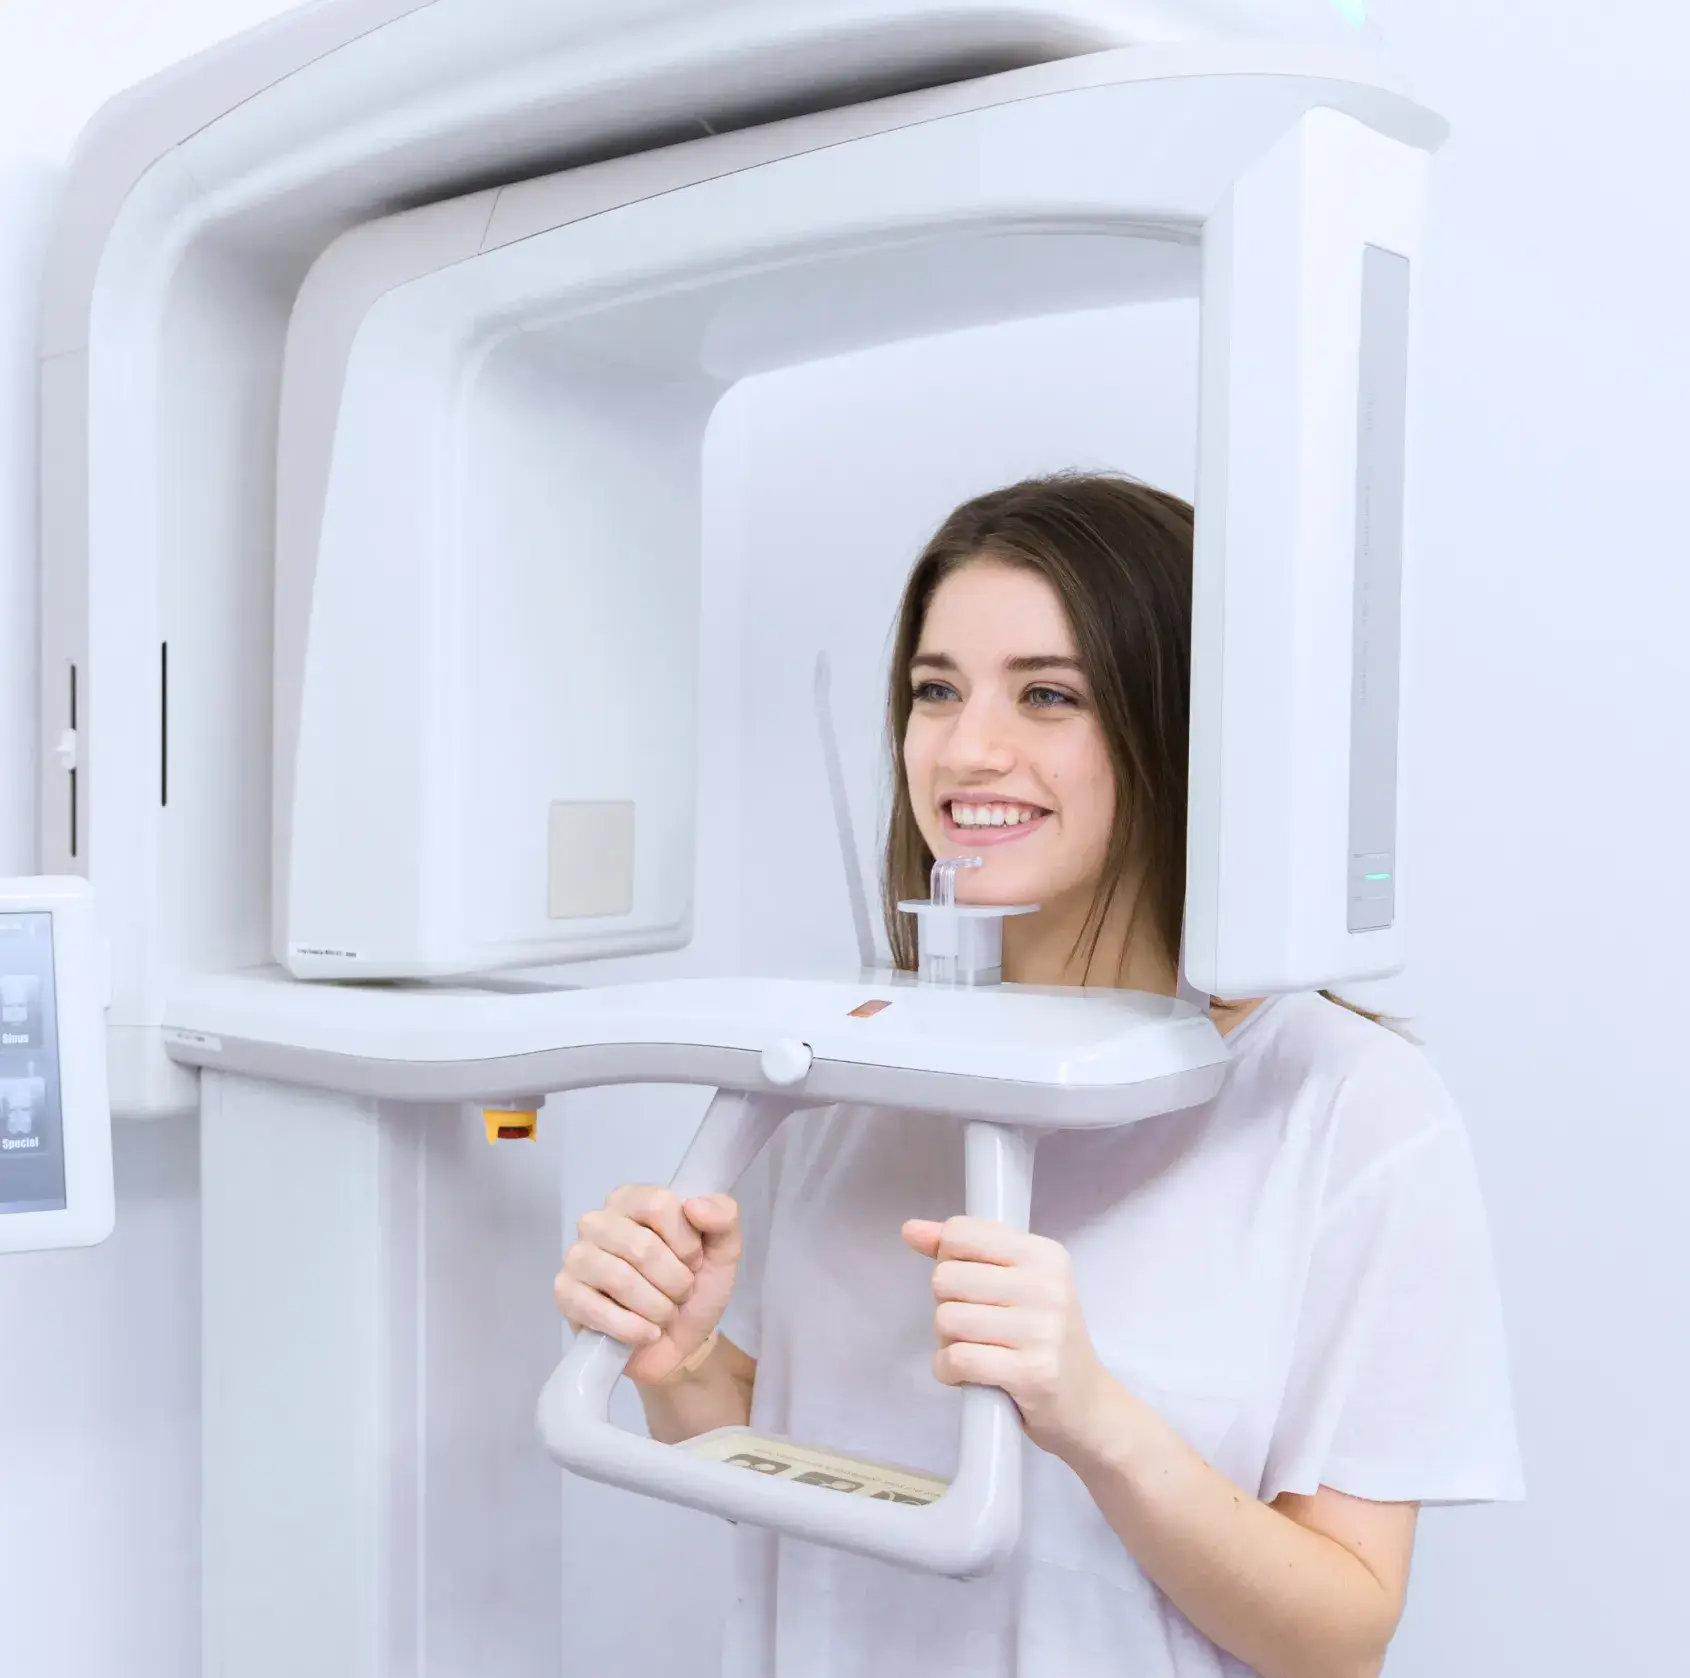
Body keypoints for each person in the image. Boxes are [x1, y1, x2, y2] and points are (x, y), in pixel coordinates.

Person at [553, 474, 1524, 1677]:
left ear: (1176, 724)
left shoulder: (1346, 1105)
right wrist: (681, 1359)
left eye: (1047, 693)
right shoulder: (850, 1066)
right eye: (934, 690)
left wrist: (1094, 1418)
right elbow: (797, 1472)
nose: (967, 749)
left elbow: (1340, 1635)